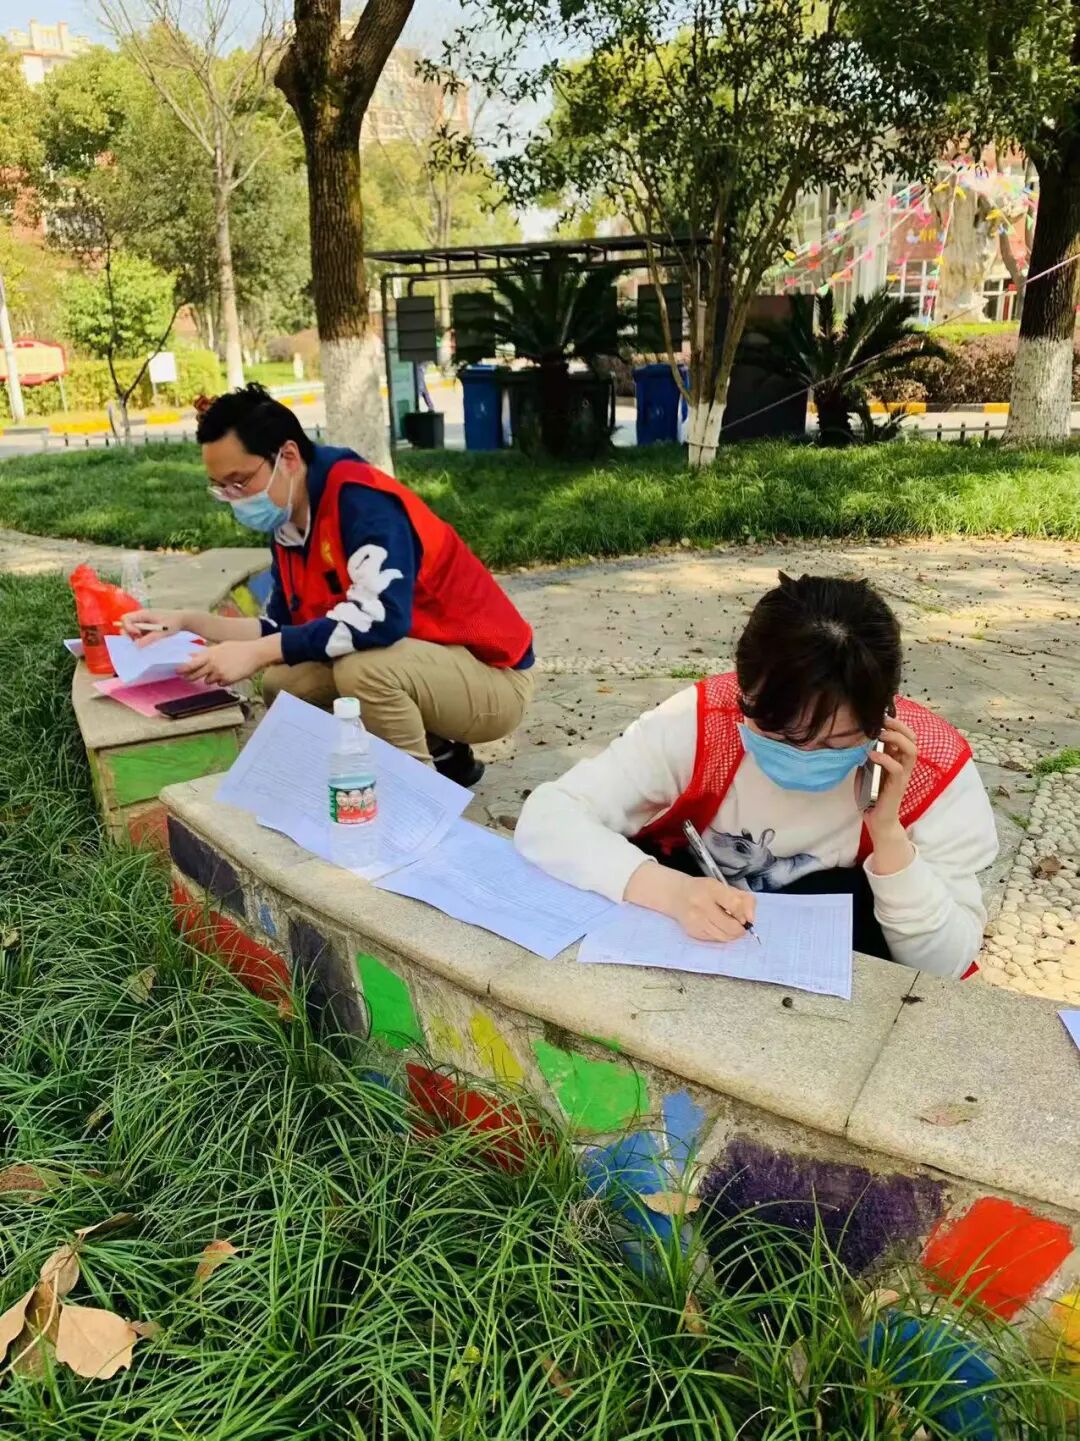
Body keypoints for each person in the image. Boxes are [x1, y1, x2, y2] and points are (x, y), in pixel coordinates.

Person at [515, 572, 998, 979]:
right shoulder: (704, 724)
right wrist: (672, 892)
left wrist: (888, 834)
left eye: (835, 742)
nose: (804, 753)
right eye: (779, 734)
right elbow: (549, 816)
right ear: (743, 693)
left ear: (884, 715)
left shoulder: (930, 771)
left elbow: (946, 968)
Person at [123, 384, 534, 784]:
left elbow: (381, 620)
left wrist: (257, 653)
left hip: (494, 678)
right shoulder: (289, 522)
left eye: (240, 481)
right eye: (221, 488)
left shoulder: (361, 502)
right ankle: (440, 753)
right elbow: (280, 627)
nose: (234, 498)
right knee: (284, 682)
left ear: (287, 457)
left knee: (364, 670)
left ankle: (418, 803)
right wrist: (187, 621)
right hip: (425, 666)